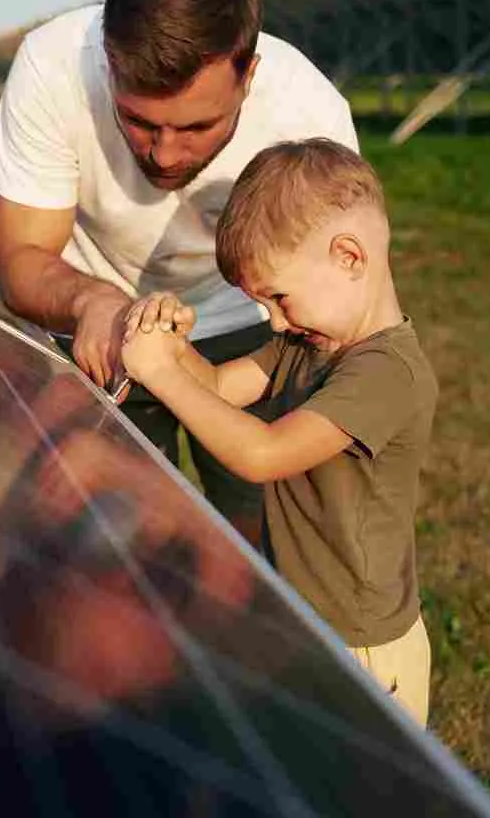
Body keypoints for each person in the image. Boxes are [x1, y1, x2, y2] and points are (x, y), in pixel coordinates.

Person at [0, 0, 357, 544]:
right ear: (109, 64)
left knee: (265, 538)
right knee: (113, 550)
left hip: (255, 330)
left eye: (195, 127)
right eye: (138, 121)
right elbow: (22, 260)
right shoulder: (52, 67)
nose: (163, 155)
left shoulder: (308, 116)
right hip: (101, 335)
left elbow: (334, 306)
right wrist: (94, 303)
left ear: (250, 75)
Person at [119, 138, 437, 727]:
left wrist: (161, 374)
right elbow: (215, 387)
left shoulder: (385, 372)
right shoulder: (304, 344)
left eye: (278, 297)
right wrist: (174, 343)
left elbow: (263, 455)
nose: (273, 319)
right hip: (309, 622)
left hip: (362, 644)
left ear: (349, 257)